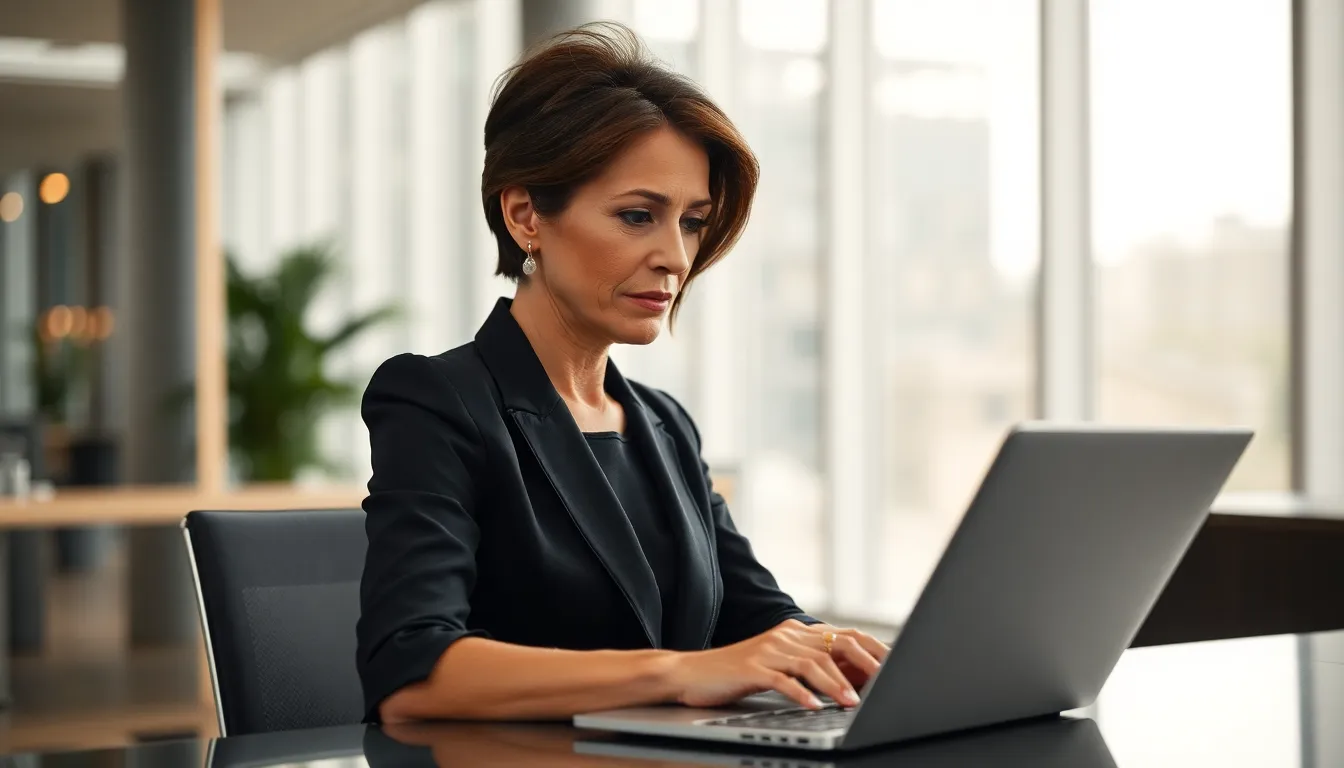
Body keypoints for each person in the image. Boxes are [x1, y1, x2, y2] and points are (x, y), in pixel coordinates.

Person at [356, 22, 887, 724]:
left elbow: (756, 618)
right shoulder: (437, 400)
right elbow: (410, 667)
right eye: (639, 215)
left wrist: (837, 652)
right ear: (525, 217)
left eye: (693, 222)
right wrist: (679, 672)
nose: (675, 257)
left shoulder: (664, 424)